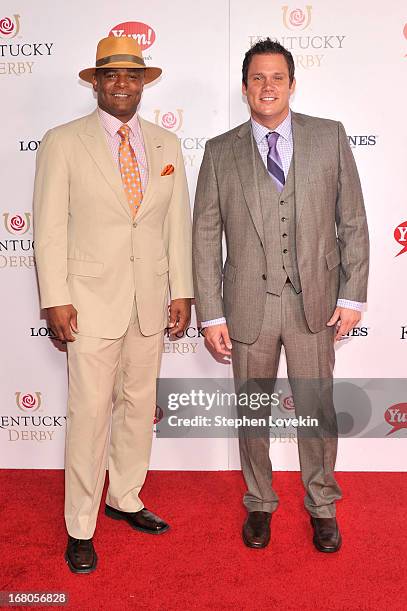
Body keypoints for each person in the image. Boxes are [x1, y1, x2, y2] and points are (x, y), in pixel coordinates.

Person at [192, 38, 369, 552]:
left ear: (292, 84)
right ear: (245, 87)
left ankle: (321, 504)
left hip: (315, 302)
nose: (267, 87)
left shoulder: (329, 137)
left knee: (317, 409)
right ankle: (260, 502)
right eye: (257, 78)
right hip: (248, 304)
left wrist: (352, 295)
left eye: (277, 78)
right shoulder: (219, 151)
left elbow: (352, 221)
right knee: (253, 412)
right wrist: (210, 313)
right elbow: (205, 234)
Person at [33, 36, 193, 573]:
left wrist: (182, 290)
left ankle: (125, 496)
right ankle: (80, 524)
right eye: (111, 75)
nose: (122, 83)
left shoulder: (167, 144)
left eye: (132, 75)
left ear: (144, 82)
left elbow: (177, 225)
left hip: (149, 299)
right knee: (89, 415)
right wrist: (54, 298)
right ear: (96, 82)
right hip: (88, 303)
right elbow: (49, 229)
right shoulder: (63, 141)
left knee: (136, 407)